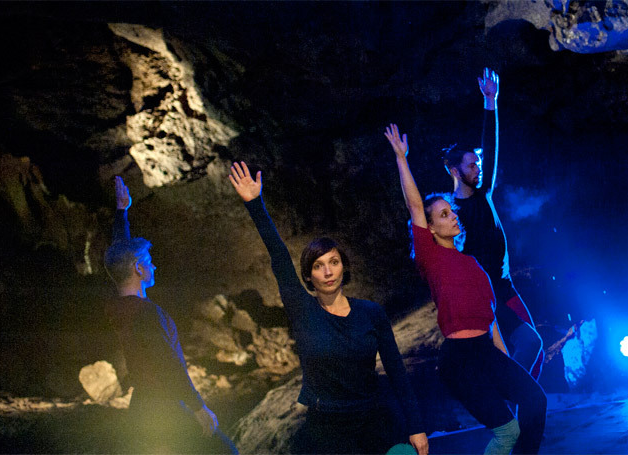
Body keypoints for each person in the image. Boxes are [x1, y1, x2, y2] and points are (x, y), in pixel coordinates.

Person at [228, 161, 428, 455]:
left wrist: (416, 425)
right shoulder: (303, 309)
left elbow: (396, 370)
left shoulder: (371, 313)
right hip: (327, 428)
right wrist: (255, 205)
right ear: (308, 276)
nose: (328, 271)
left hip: (373, 419)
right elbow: (280, 259)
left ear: (344, 267)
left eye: (334, 262)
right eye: (318, 266)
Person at [385, 124, 546, 454]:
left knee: (535, 400)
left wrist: (507, 367)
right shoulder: (432, 257)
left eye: (451, 212)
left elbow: (492, 322)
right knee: (507, 432)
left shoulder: (475, 267)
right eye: (443, 215)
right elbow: (416, 206)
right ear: (430, 228)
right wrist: (402, 159)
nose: (452, 217)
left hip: (486, 351)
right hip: (459, 360)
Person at [103, 176, 238, 454]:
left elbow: (120, 255)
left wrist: (121, 212)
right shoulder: (147, 314)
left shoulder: (118, 307)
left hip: (142, 404)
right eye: (149, 263)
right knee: (226, 452)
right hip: (165, 404)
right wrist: (199, 407)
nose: (154, 267)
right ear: (138, 269)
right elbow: (169, 364)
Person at [442, 69, 544, 379]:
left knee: (534, 349)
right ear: (456, 171)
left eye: (479, 164)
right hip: (486, 293)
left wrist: (491, 102)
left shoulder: (484, 192)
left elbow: (492, 146)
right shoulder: (452, 210)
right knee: (525, 346)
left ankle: (520, 408)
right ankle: (512, 406)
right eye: (472, 165)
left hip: (506, 285)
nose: (478, 168)